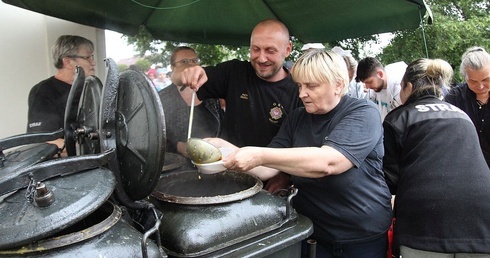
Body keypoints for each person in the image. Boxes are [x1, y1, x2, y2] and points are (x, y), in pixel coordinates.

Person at [215, 50, 392, 257]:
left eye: (311, 86)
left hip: (361, 235)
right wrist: (226, 151)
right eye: (299, 85)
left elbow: (329, 163)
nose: (301, 94)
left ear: (338, 85)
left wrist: (258, 154)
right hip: (311, 230)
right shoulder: (297, 118)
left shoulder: (363, 112)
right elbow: (267, 167)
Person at [383, 58, 490, 257]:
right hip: (483, 218)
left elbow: (390, 180)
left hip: (425, 223)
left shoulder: (399, 118)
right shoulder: (462, 115)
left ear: (409, 86)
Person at [180, 19, 302, 192]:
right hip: (227, 175)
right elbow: (186, 92)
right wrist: (186, 74)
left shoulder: (299, 90)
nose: (261, 58)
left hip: (271, 185)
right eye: (255, 49)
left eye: (270, 50)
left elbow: (302, 147)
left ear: (288, 49)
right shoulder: (234, 72)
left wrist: (285, 175)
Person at [27, 35, 96, 150]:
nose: (93, 62)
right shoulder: (43, 92)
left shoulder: (89, 90)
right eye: (88, 57)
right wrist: (87, 150)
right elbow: (43, 141)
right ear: (68, 62)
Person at [158, 46, 223, 163]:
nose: (191, 65)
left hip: (212, 163)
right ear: (173, 67)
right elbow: (155, 137)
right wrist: (179, 146)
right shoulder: (162, 98)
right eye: (184, 61)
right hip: (178, 166)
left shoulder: (210, 96)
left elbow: (223, 126)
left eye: (194, 61)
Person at [444, 46, 490, 167]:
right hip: (468, 165)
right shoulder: (454, 98)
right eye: (473, 81)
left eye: (486, 80)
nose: (480, 86)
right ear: (465, 78)